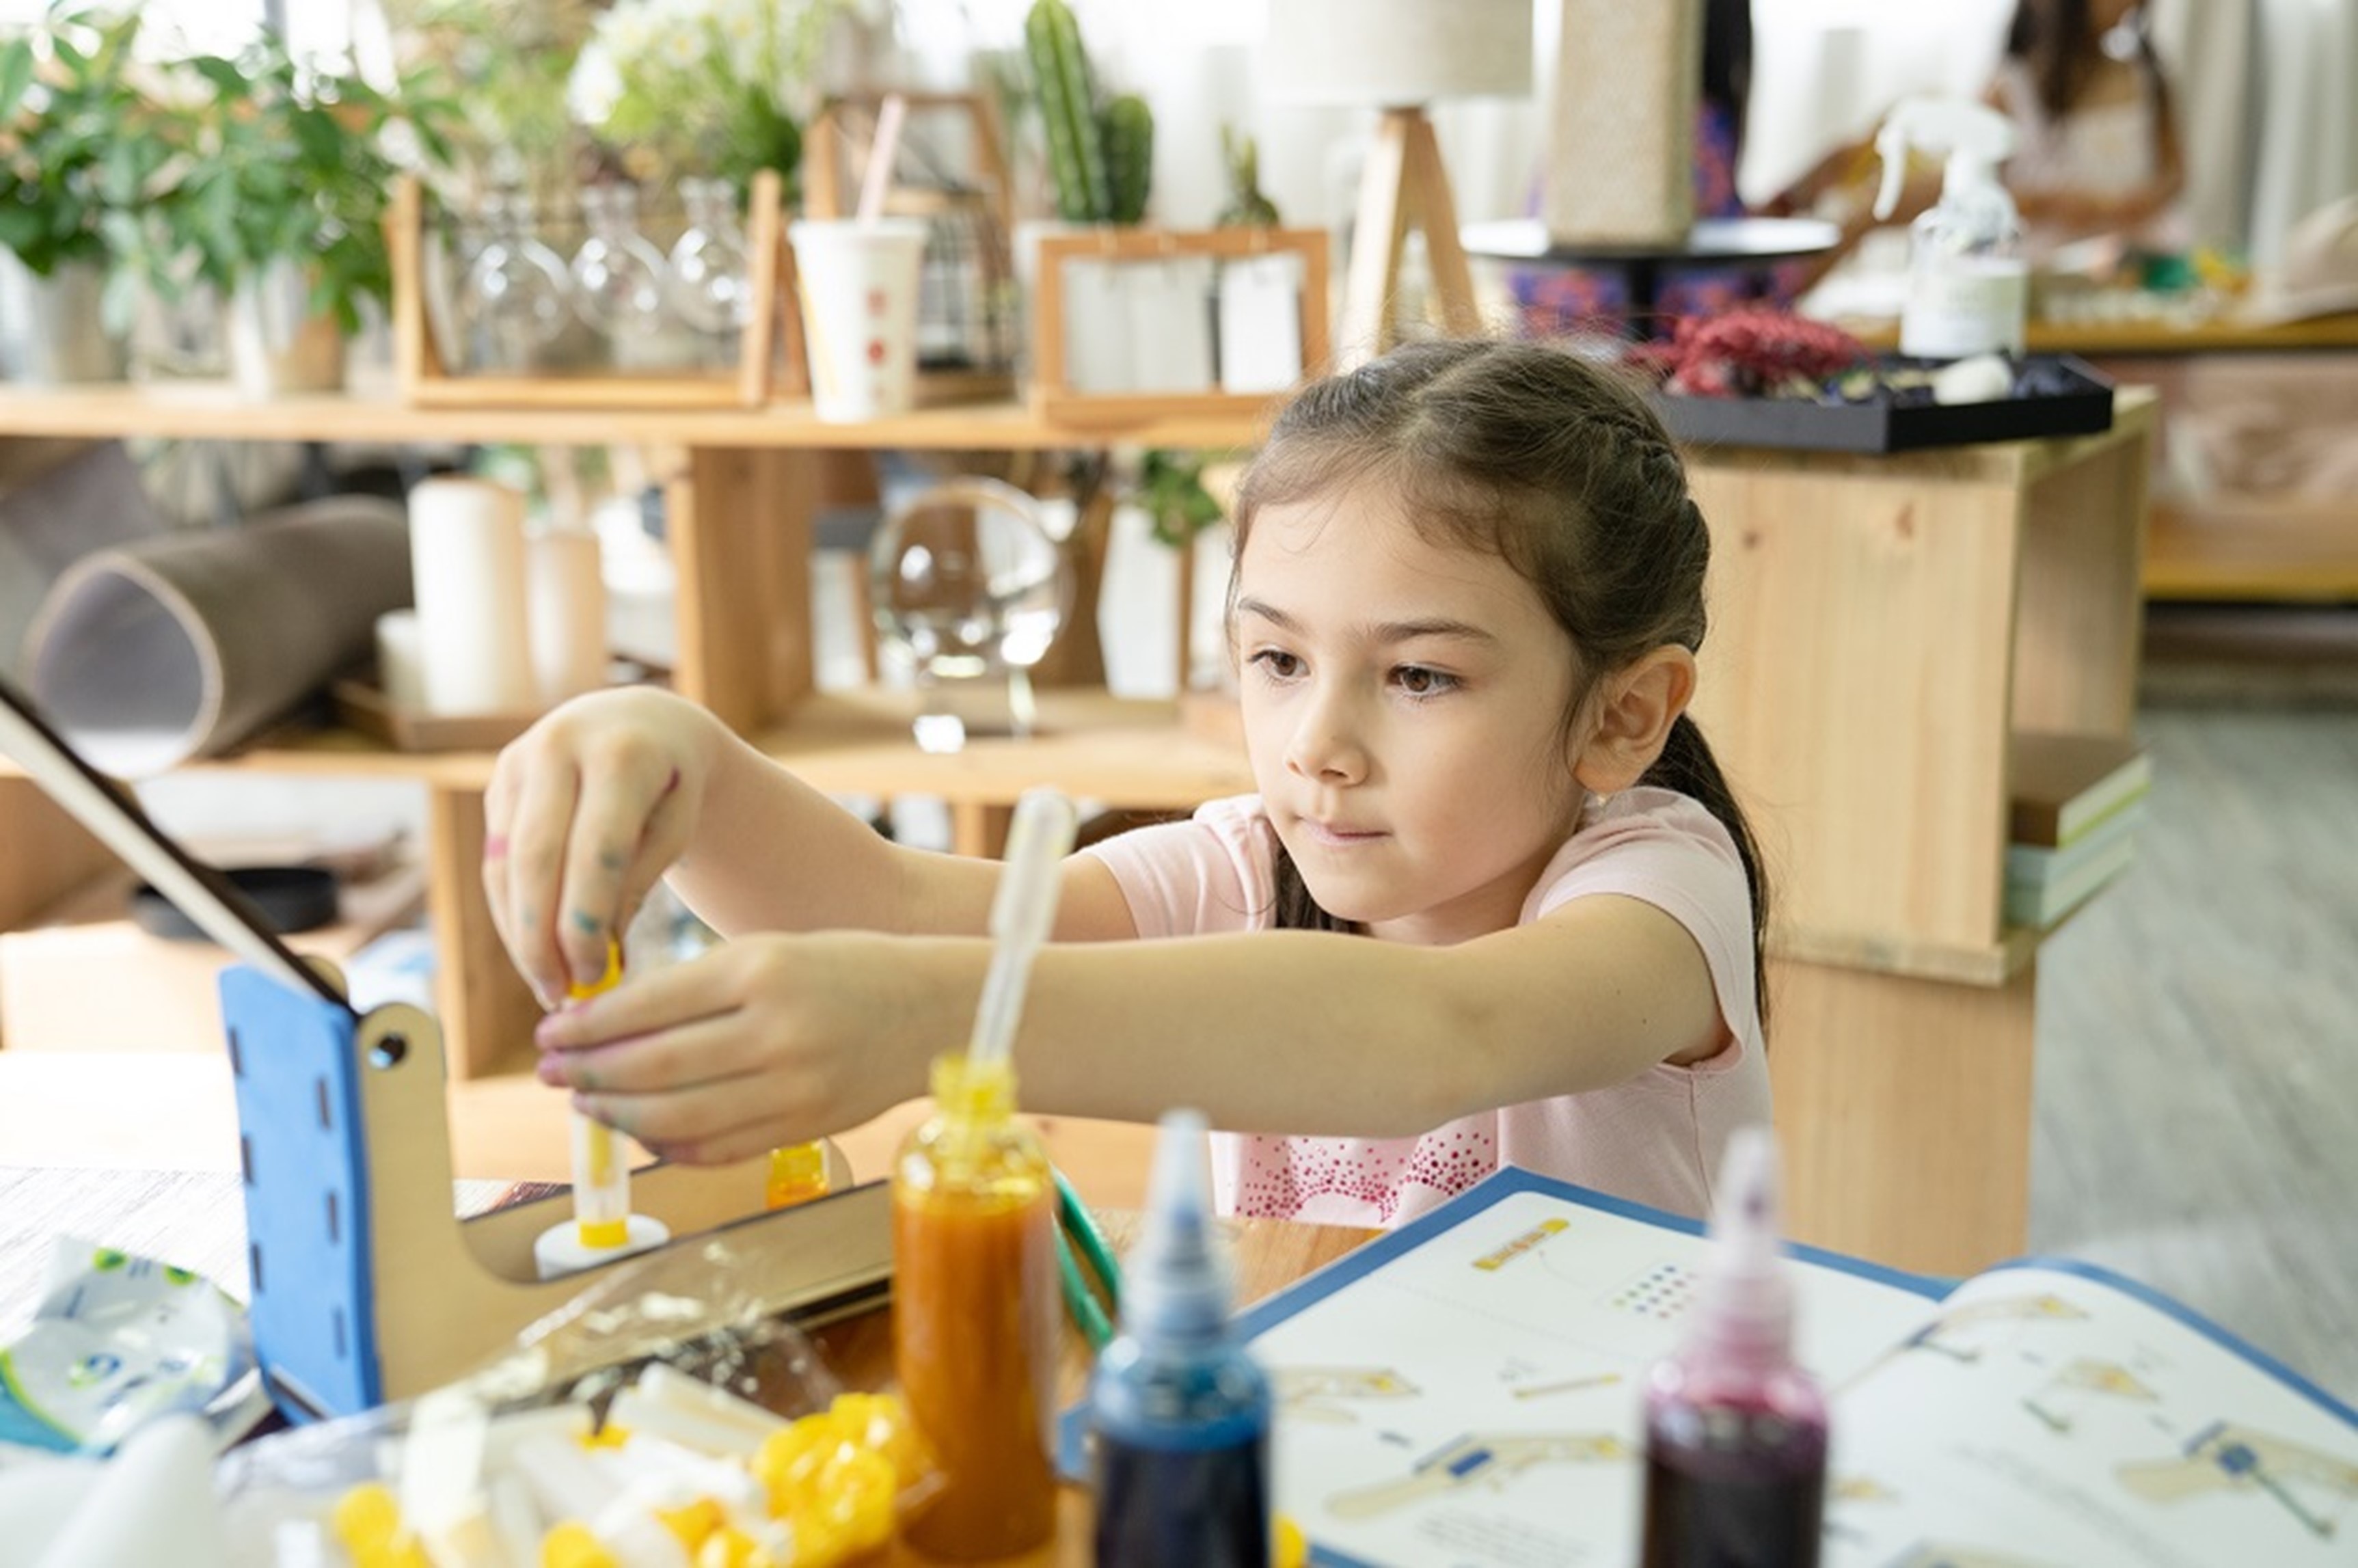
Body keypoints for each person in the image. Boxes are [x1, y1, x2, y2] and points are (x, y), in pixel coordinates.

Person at [485, 339, 1772, 1229]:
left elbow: (1437, 1032)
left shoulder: (1661, 889)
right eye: (1277, 657)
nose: (1316, 741)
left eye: (1421, 676)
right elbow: (892, 911)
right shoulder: (1244, 862)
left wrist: (916, 1023)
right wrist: (681, 761)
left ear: (1622, 714)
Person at [1771, 0, 2186, 267]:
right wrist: (2048, 204)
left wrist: (2128, 207)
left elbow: (2175, 173)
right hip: (2044, 266)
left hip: (2139, 260)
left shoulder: (2148, 77)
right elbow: (1968, 183)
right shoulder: (2011, 88)